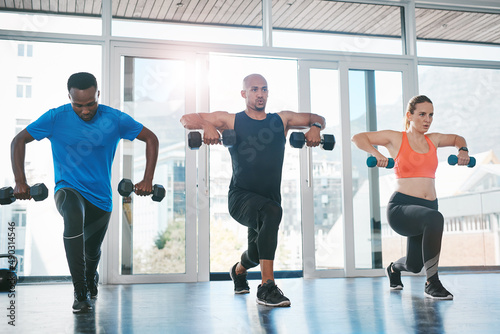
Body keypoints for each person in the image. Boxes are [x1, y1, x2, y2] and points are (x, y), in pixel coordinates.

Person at [11, 72, 159, 313]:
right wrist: (20, 181)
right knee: (71, 214)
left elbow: (150, 138)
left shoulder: (114, 119)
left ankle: (91, 277)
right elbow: (18, 140)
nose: (85, 110)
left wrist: (147, 180)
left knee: (92, 253)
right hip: (67, 188)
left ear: (97, 94)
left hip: (101, 199)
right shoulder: (55, 118)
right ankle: (80, 293)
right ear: (68, 97)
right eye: (78, 105)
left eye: (91, 103)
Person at [180, 73, 326, 307]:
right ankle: (267, 287)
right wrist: (207, 125)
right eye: (255, 89)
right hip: (240, 197)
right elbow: (186, 119)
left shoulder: (282, 120)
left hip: (268, 199)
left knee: (257, 255)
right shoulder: (231, 120)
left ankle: (238, 271)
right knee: (272, 212)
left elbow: (317, 117)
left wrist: (316, 127)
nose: (260, 94)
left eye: (264, 89)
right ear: (244, 93)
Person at [351, 95, 471, 300]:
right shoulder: (395, 138)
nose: (427, 119)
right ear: (410, 115)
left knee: (414, 265)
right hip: (402, 208)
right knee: (436, 218)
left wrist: (463, 150)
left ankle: (393, 268)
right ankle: (432, 283)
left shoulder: (433, 139)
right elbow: (358, 137)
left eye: (431, 115)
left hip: (427, 208)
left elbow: (457, 138)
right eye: (422, 114)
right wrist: (376, 154)